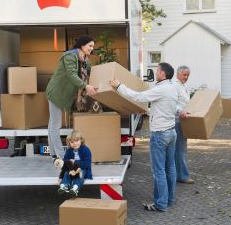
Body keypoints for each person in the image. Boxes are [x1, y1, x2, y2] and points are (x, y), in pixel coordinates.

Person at [109, 62, 178, 212]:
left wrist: (119, 85)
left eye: (158, 70)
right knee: (170, 168)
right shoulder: (173, 87)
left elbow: (138, 96)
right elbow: (165, 107)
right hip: (171, 133)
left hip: (160, 135)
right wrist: (149, 112)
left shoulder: (161, 89)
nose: (156, 72)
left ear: (163, 74)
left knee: (159, 170)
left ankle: (161, 204)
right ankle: (169, 200)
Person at [46, 36, 97, 161]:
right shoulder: (70, 56)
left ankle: (53, 153)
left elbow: (89, 74)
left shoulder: (86, 60)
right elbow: (71, 74)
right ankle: (61, 156)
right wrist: (86, 86)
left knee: (52, 124)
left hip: (66, 94)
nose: (92, 48)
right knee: (55, 125)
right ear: (82, 45)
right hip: (57, 93)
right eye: (90, 46)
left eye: (92, 46)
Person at [56, 132, 92, 198]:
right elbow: (65, 164)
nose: (75, 144)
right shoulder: (69, 151)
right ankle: (64, 186)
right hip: (71, 169)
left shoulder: (86, 150)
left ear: (81, 140)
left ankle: (75, 188)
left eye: (77, 141)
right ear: (69, 143)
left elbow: (87, 164)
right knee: (67, 173)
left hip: (82, 169)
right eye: (72, 142)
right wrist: (61, 177)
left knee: (80, 174)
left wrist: (75, 162)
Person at [174, 65, 194, 184]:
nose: (186, 77)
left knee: (180, 149)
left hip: (184, 119)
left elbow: (186, 102)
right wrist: (180, 111)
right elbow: (171, 102)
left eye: (188, 75)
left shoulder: (185, 86)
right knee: (180, 149)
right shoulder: (174, 86)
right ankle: (183, 176)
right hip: (177, 120)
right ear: (178, 74)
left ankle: (177, 174)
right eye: (184, 75)